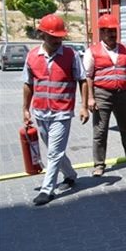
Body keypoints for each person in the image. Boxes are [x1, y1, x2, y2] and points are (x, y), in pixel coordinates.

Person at [22, 14, 89, 206]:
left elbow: (82, 80)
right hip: (40, 112)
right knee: (55, 151)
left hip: (62, 113)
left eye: (60, 37)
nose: (57, 40)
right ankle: (70, 174)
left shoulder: (71, 55)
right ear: (42, 35)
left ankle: (47, 189)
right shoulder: (32, 56)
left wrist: (84, 106)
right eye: (53, 37)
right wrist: (25, 110)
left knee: (53, 152)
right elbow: (28, 84)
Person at [84, 13, 126, 176]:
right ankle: (99, 164)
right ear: (102, 32)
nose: (112, 34)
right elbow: (88, 76)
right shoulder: (92, 51)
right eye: (108, 31)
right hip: (102, 94)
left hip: (123, 94)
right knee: (100, 131)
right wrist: (90, 97)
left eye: (114, 31)